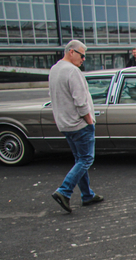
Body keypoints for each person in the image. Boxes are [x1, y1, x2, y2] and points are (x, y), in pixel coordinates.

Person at [49, 40, 103, 213]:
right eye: (82, 55)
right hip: (79, 124)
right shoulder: (72, 71)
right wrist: (89, 120)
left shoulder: (55, 69)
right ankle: (64, 191)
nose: (83, 59)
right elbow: (80, 101)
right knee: (86, 159)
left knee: (80, 159)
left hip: (65, 124)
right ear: (71, 52)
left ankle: (87, 195)